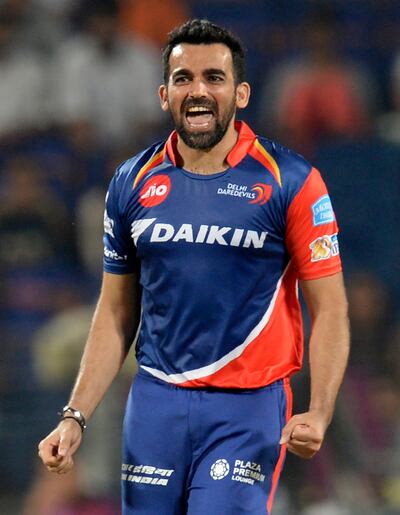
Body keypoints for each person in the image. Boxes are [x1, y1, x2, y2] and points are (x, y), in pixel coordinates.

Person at [38, 19, 350, 514]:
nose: (198, 90)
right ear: (164, 95)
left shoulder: (292, 180)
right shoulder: (131, 181)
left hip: (247, 409)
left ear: (241, 93)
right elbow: (116, 311)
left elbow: (330, 309)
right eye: (184, 78)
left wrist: (321, 411)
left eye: (214, 77)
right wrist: (74, 417)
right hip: (154, 405)